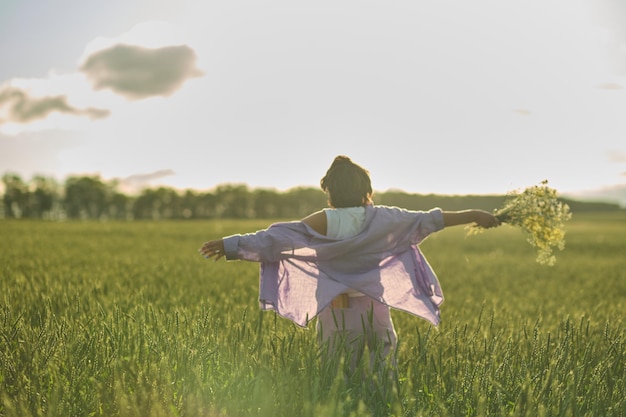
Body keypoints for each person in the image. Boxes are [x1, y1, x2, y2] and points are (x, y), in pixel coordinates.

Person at [199, 155, 500, 375]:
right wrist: (474, 213)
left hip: (338, 311)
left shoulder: (324, 220)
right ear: (365, 189)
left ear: (329, 191)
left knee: (337, 372)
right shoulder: (384, 218)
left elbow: (273, 240)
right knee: (384, 369)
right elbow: (430, 219)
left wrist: (230, 245)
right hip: (376, 307)